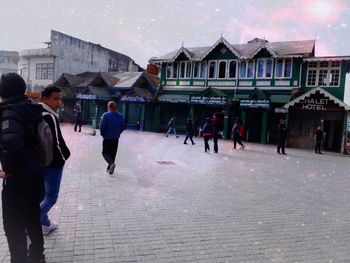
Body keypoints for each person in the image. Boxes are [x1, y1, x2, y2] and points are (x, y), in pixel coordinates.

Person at [0, 73, 46, 262]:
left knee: (13, 225)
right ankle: (37, 256)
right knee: (32, 218)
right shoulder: (31, 108)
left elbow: (12, 143)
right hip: (35, 173)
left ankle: (19, 259)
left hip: (18, 178)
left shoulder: (10, 111)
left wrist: (8, 171)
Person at [40, 85, 71, 236]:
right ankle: (29, 226)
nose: (59, 103)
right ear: (44, 98)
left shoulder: (36, 112)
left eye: (60, 99)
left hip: (39, 162)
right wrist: (64, 157)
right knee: (51, 197)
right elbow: (56, 142)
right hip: (53, 163)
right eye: (55, 99)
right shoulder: (50, 116)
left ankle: (45, 224)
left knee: (41, 195)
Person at [99, 101, 125, 175]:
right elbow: (123, 127)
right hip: (115, 138)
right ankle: (109, 168)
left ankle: (111, 164)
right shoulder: (121, 116)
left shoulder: (106, 115)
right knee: (112, 154)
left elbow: (101, 126)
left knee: (105, 153)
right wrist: (117, 133)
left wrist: (102, 134)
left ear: (109, 107)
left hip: (107, 138)